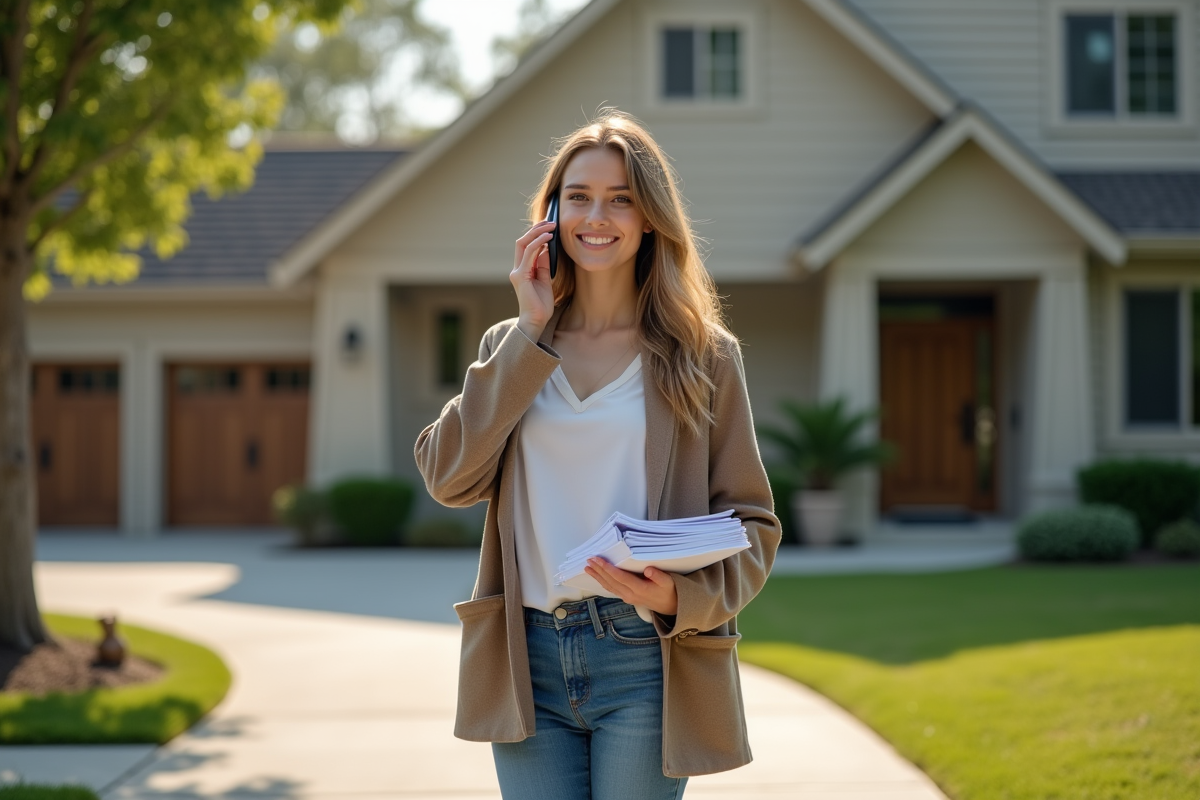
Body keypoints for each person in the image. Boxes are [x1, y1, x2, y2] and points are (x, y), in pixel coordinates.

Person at [414, 110, 781, 800]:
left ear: (649, 219)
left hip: (643, 657)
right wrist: (531, 328)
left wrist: (682, 597)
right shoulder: (512, 344)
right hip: (527, 655)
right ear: (551, 214)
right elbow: (448, 477)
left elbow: (755, 526)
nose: (597, 215)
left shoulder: (704, 356)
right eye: (578, 196)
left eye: (621, 199)